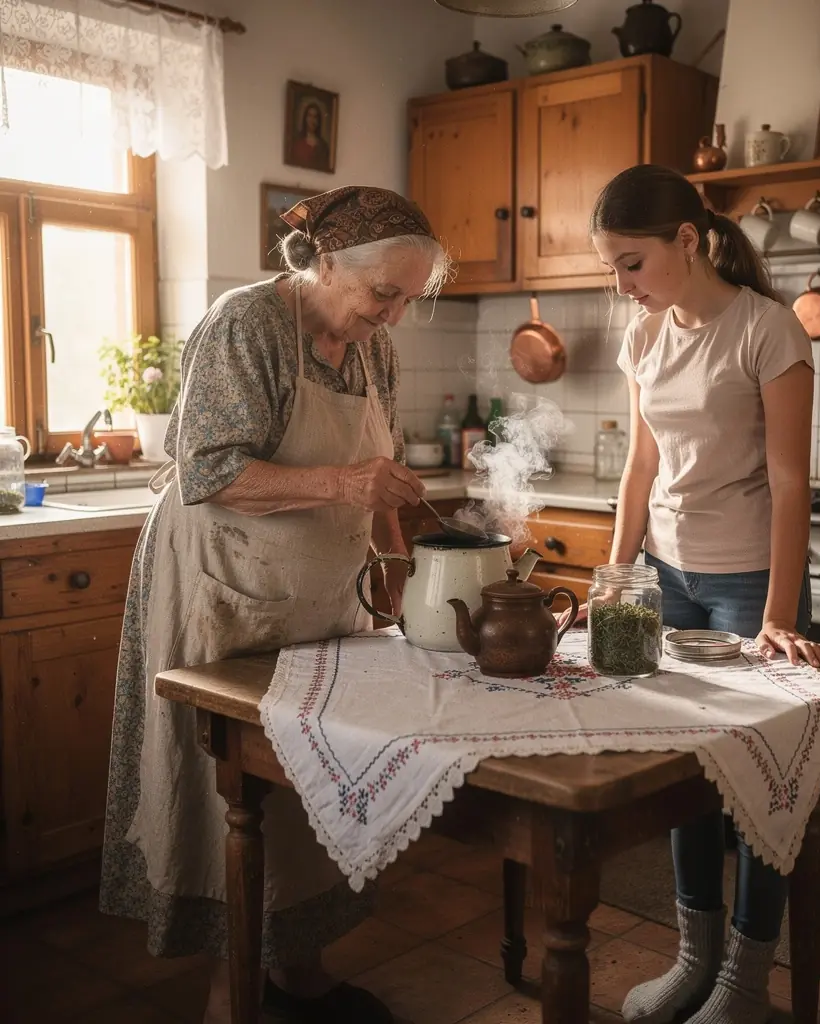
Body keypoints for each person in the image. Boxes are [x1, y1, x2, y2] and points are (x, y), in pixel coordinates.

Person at [99, 185, 450, 1024]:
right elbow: (209, 471)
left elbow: (381, 471)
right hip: (224, 594)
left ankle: (297, 970)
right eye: (383, 295)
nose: (394, 316)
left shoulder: (375, 350)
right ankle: (233, 995)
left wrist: (398, 570)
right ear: (328, 263)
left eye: (408, 298)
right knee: (230, 788)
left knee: (308, 780)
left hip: (324, 598)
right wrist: (347, 483)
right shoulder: (246, 324)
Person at [587, 165, 820, 1024]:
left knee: (762, 780)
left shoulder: (770, 333)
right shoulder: (643, 338)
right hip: (667, 579)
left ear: (686, 241)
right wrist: (617, 581)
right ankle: (695, 961)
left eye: (631, 263)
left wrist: (774, 613)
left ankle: (745, 982)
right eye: (613, 267)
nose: (622, 285)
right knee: (689, 772)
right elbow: (639, 468)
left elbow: (792, 481)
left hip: (746, 586)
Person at [292, 101, 331, 170]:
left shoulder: (324, 146)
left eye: (315, 117)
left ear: (318, 121)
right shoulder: (297, 141)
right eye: (310, 116)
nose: (312, 120)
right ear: (305, 118)